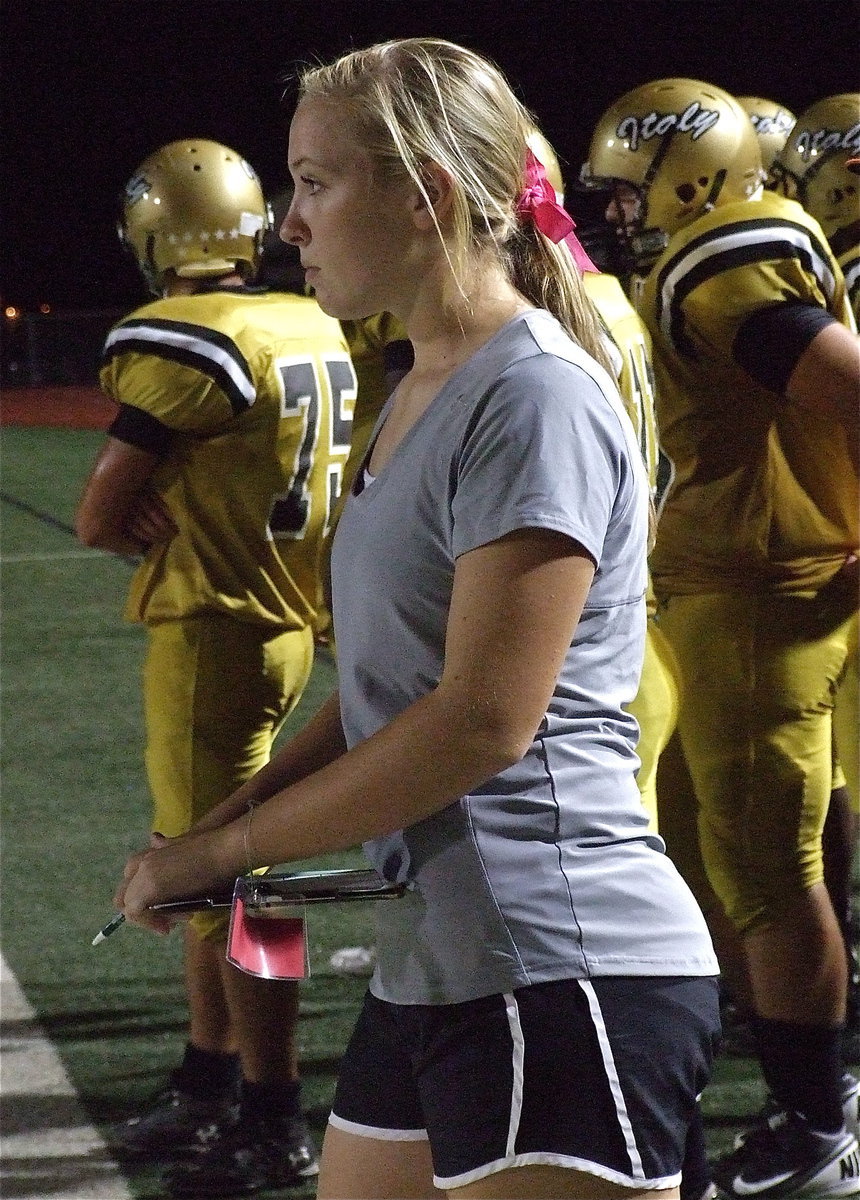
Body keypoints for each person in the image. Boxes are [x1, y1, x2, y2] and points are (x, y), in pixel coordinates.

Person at [112, 38, 722, 1200]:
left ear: (426, 193)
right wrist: (228, 826)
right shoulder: (422, 386)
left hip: (560, 963)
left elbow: (479, 722)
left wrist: (227, 851)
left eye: (314, 181)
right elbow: (392, 684)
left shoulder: (530, 392)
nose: (288, 222)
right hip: (441, 966)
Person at [581, 77, 860, 1198]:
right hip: (731, 582)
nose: (614, 207)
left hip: (762, 589)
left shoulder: (721, 259)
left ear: (680, 169)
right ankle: (794, 1095)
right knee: (715, 859)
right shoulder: (727, 243)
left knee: (766, 871)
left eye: (624, 183)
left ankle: (818, 1126)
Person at [75, 138, 357, 1195]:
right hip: (290, 616)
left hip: (216, 628)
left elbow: (103, 510)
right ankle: (209, 1077)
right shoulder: (303, 315)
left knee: (232, 878)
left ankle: (271, 1109)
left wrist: (143, 524)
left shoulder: (184, 336)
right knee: (214, 870)